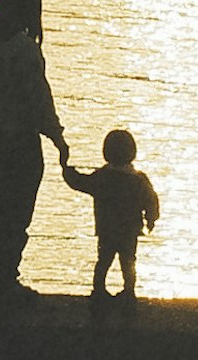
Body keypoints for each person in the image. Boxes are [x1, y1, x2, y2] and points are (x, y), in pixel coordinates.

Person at [0, 0, 73, 297]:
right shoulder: (23, 51)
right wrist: (58, 139)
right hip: (19, 148)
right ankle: (7, 279)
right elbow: (38, 100)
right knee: (16, 214)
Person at [66, 128, 161, 303]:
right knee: (128, 262)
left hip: (107, 228)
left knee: (103, 261)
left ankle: (99, 290)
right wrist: (151, 219)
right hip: (130, 230)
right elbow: (151, 200)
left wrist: (67, 170)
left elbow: (80, 182)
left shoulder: (103, 177)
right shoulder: (139, 179)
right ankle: (129, 292)